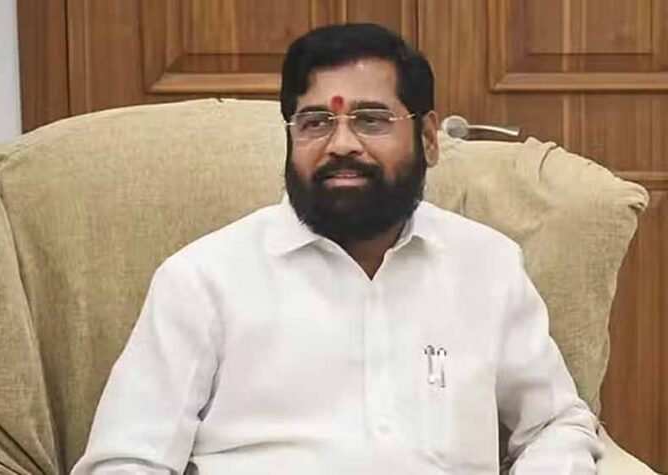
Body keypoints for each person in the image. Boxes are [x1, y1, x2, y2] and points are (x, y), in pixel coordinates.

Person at [71, 23, 603, 475]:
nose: (342, 144)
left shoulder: (485, 265)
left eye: (371, 120)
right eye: (316, 123)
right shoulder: (204, 279)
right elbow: (126, 459)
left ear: (428, 139)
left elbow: (556, 422)